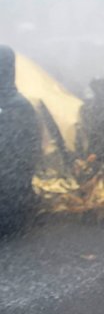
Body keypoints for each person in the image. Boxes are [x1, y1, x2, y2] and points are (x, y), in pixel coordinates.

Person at [0, 46, 42, 237]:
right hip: (14, 186)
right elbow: (32, 144)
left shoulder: (17, 106)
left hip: (11, 187)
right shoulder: (21, 105)